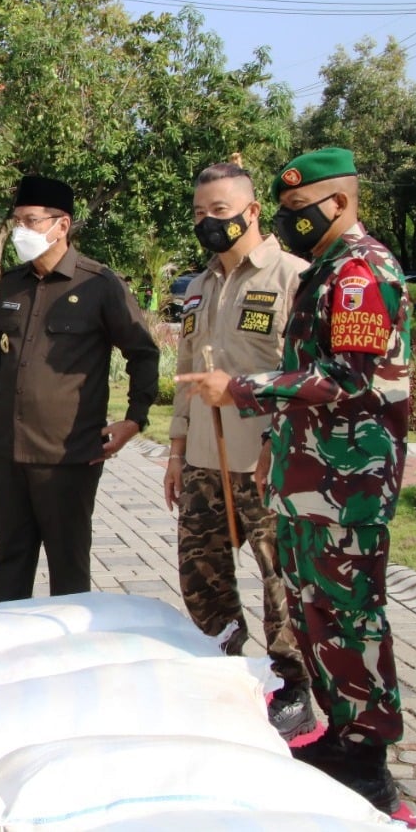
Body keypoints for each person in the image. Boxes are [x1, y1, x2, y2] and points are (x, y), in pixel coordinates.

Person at [177, 148, 416, 823]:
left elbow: (348, 377)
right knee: (321, 617)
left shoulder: (360, 271)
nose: (290, 221)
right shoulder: (329, 270)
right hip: (312, 475)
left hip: (349, 479)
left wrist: (241, 389)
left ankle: (368, 759)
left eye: (298, 208)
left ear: (338, 202)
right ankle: (343, 736)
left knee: (351, 618)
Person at [164, 162, 314, 741]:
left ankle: (293, 688)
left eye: (220, 211)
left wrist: (280, 440)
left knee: (280, 583)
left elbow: (304, 374)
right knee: (201, 577)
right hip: (204, 458)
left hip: (266, 462)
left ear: (252, 212)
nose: (208, 221)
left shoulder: (292, 277)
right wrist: (176, 450)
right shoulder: (199, 286)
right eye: (200, 212)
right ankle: (225, 669)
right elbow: (186, 368)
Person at [0, 176, 159, 601]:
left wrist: (134, 419)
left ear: (62, 225)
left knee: (68, 564)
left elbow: (143, 352)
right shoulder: (12, 283)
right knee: (10, 559)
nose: (20, 231)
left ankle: (72, 638)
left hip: (67, 455)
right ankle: (6, 636)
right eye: (16, 221)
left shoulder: (98, 284)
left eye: (31, 221)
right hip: (7, 451)